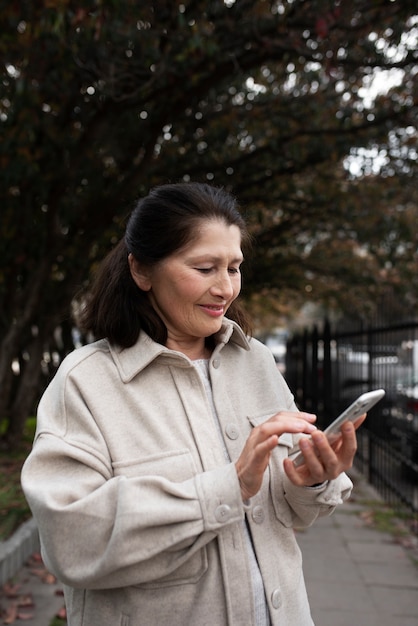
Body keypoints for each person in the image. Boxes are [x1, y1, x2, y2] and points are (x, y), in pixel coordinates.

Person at [22, 182, 360, 626]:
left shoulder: (255, 361)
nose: (225, 288)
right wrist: (226, 488)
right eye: (204, 268)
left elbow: (292, 514)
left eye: (234, 268)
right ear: (141, 271)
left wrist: (310, 481)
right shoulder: (86, 381)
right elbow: (71, 540)